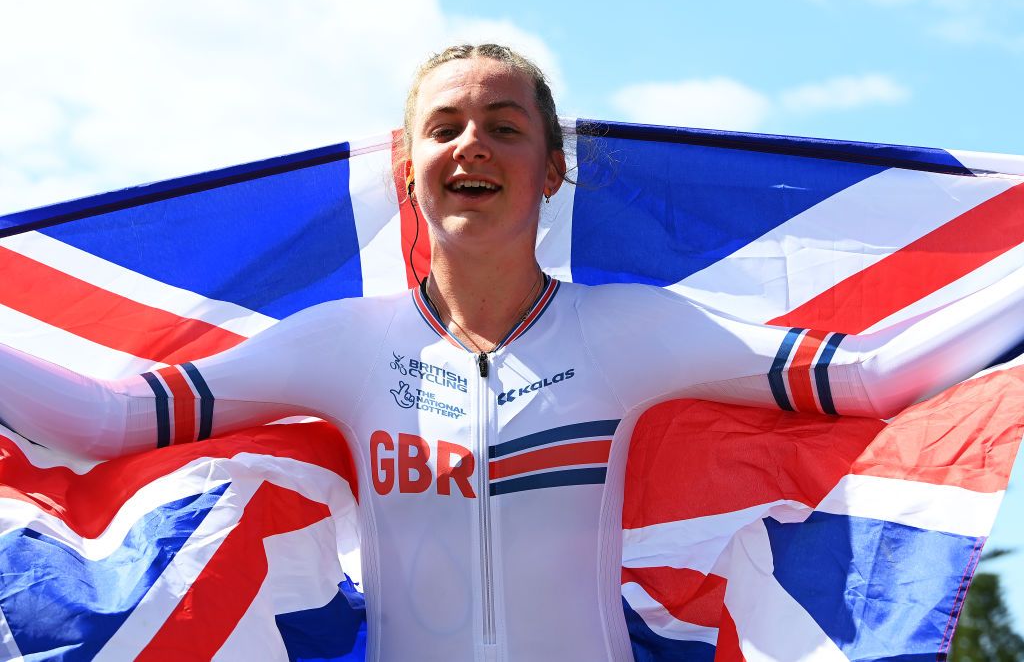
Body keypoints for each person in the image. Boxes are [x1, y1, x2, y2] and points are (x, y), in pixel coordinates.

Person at [1, 43, 1022, 661]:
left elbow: (869, 379)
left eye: (503, 123)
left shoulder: (636, 330)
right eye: (444, 127)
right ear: (412, 175)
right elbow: (104, 418)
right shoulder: (338, 347)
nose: (472, 144)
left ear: (552, 170)